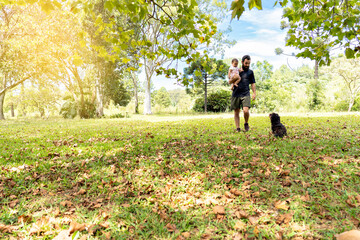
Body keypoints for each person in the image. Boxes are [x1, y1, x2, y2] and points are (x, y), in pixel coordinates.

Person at [228, 55, 256, 132]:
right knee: (236, 112)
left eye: (249, 63)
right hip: (236, 93)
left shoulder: (250, 72)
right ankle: (238, 128)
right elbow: (229, 81)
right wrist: (233, 78)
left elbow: (253, 83)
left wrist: (254, 93)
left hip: (246, 93)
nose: (247, 65)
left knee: (246, 110)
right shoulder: (236, 70)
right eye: (246, 63)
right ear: (242, 62)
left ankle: (246, 123)